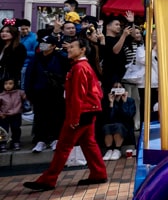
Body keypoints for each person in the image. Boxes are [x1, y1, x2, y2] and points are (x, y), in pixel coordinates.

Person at [23, 35, 108, 191]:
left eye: (72, 47)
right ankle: (98, 173)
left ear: (82, 50)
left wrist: (74, 117)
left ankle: (48, 180)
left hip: (81, 112)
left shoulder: (79, 68)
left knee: (64, 147)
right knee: (88, 144)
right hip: (88, 110)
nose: (68, 49)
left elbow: (77, 95)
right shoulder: (83, 66)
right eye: (69, 47)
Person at [27, 32, 68, 152]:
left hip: (57, 92)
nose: (43, 45)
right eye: (42, 43)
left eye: (46, 43)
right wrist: (29, 92)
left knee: (57, 116)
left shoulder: (61, 58)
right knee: (40, 116)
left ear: (53, 46)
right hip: (39, 92)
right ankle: (41, 140)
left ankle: (56, 139)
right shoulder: (36, 58)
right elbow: (29, 76)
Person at [99, 82, 136, 161]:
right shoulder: (107, 101)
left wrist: (124, 102)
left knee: (118, 126)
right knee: (107, 126)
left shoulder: (130, 101)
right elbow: (107, 118)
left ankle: (117, 149)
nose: (118, 89)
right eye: (115, 87)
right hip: (110, 125)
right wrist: (111, 103)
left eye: (120, 87)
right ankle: (109, 150)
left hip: (125, 126)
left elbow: (128, 116)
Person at [0, 77, 27, 151]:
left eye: (10, 83)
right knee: (3, 130)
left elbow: (26, 97)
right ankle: (2, 144)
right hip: (4, 115)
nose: (8, 86)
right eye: (5, 84)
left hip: (16, 114)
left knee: (16, 129)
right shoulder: (1, 95)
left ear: (14, 84)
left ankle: (16, 142)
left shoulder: (19, 92)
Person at [0, 21, 27, 87]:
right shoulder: (1, 45)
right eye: (2, 31)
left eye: (7, 32)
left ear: (14, 33)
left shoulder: (19, 47)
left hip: (9, 81)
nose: (4, 33)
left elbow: (16, 66)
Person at [17, 19, 38, 93]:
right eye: (23, 29)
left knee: (23, 86)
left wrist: (24, 53)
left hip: (26, 65)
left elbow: (36, 53)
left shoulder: (34, 38)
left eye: (27, 28)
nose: (25, 31)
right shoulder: (17, 36)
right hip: (17, 64)